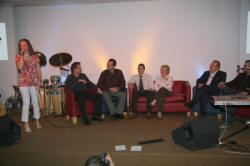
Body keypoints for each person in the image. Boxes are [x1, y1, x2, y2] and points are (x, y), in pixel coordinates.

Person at [15, 39, 42, 132]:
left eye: (25, 45)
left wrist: (39, 82)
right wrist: (23, 56)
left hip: (34, 82)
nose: (23, 46)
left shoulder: (35, 57)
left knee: (35, 102)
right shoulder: (18, 57)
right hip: (23, 83)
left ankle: (37, 121)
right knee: (26, 103)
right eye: (21, 45)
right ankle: (26, 124)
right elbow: (20, 68)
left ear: (29, 45)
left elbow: (38, 70)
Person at [219, 60, 250, 127]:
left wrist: (247, 92)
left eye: (245, 65)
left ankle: (227, 122)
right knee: (223, 87)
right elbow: (232, 83)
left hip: (246, 95)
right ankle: (233, 98)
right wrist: (224, 84)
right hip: (236, 92)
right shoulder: (241, 75)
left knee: (229, 102)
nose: (243, 66)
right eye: (244, 65)